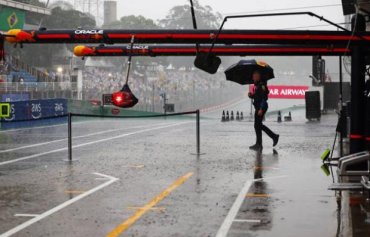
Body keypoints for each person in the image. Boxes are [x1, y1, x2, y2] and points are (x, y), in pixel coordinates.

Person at [248, 70, 279, 151]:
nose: (253, 78)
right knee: (257, 125)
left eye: (254, 76)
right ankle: (259, 144)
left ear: (258, 77)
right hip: (258, 107)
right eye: (253, 76)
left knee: (258, 125)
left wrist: (261, 109)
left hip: (261, 107)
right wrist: (251, 95)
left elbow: (264, 98)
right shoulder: (258, 85)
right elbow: (257, 96)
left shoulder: (262, 85)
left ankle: (273, 137)